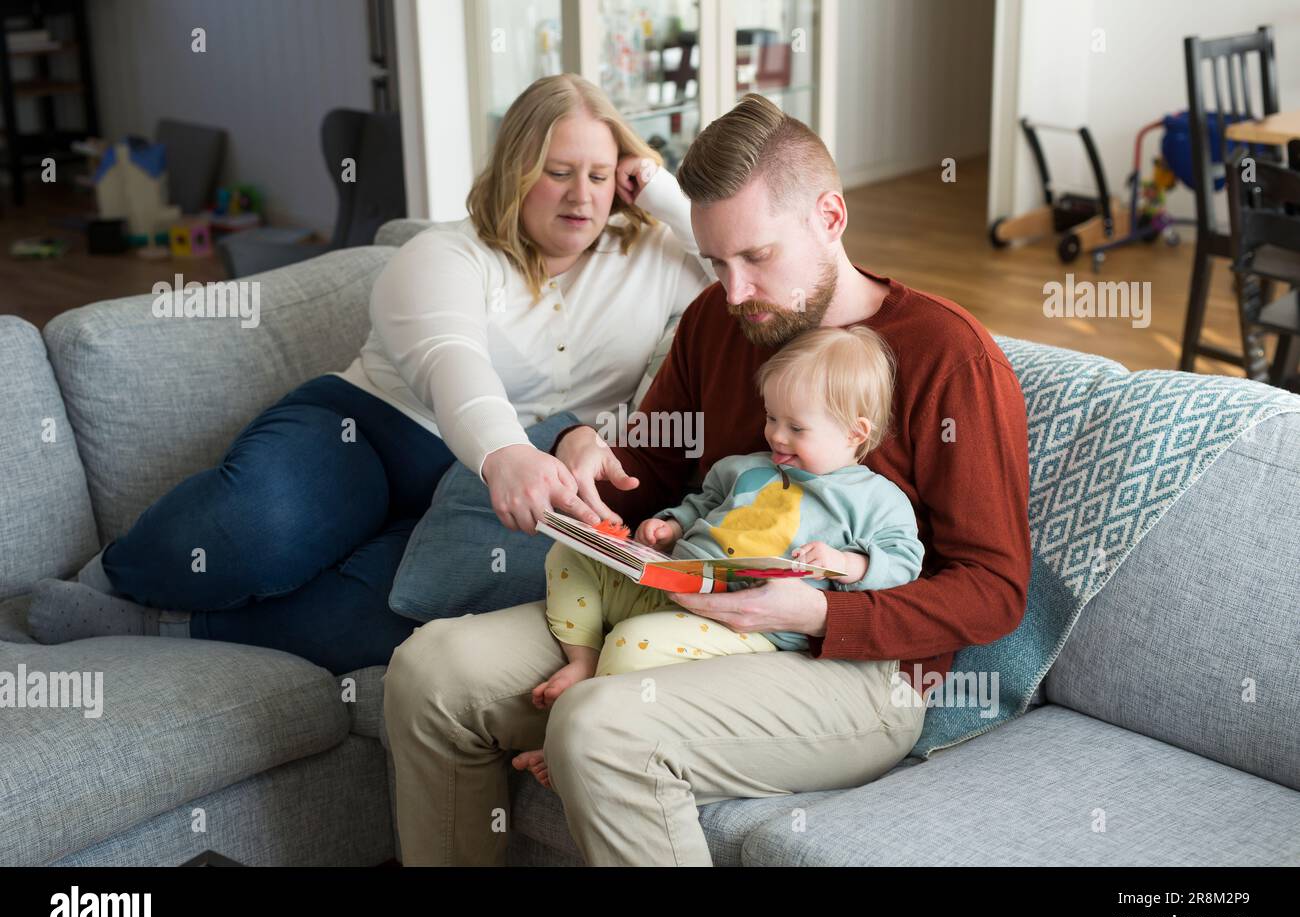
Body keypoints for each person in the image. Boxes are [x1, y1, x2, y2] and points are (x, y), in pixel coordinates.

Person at [383, 93, 1031, 866]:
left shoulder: (949, 358)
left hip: (850, 671)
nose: (733, 292)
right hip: (679, 605)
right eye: (716, 261)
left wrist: (823, 613)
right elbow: (649, 477)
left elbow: (994, 589)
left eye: (756, 257)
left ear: (829, 217)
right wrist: (589, 451)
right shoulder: (716, 322)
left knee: (600, 727)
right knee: (430, 671)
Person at [24, 74, 711, 674]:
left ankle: (163, 630)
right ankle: (116, 576)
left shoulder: (651, 254)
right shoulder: (445, 255)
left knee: (397, 617)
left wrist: (664, 192)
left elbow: (751, 283)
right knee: (254, 535)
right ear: (514, 170)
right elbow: (452, 360)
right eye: (558, 172)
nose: (582, 199)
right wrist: (505, 452)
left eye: (600, 175)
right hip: (373, 430)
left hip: (489, 493)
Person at [517, 325, 925, 789]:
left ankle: (570, 738)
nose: (776, 436)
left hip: (741, 623)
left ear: (856, 432)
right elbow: (701, 506)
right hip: (670, 580)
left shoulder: (875, 499)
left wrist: (850, 564)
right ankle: (583, 657)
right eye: (772, 418)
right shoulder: (744, 466)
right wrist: (668, 526)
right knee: (570, 552)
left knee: (635, 642)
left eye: (796, 427)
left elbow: (904, 561)